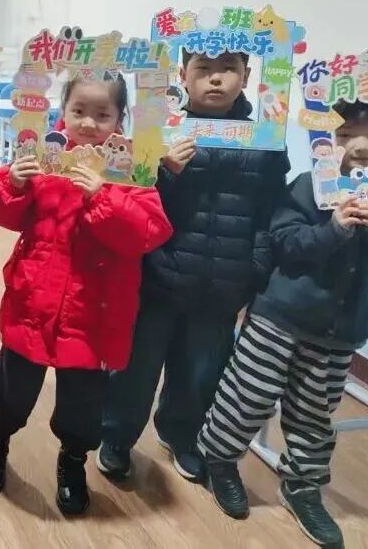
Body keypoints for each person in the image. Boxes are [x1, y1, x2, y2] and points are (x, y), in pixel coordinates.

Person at [197, 94, 368, 547]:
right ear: (326, 139)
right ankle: (219, 460)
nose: (360, 146)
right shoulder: (309, 186)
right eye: (346, 135)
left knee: (315, 413)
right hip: (279, 317)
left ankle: (302, 485)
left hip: (340, 330)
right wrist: (333, 229)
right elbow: (286, 243)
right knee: (248, 395)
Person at [0, 73, 173, 515]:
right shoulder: (43, 159)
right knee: (11, 387)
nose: (87, 123)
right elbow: (0, 211)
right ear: (62, 111)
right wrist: (14, 184)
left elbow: (146, 233)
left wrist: (103, 196)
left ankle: (73, 460)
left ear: (120, 120)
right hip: (33, 303)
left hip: (93, 315)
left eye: (102, 115)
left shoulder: (132, 172)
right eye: (78, 111)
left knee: (83, 404)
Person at [99, 50, 291, 483]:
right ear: (183, 76)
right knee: (135, 367)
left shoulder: (265, 138)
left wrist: (255, 266)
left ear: (247, 76)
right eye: (204, 70)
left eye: (228, 70)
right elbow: (134, 198)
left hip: (223, 284)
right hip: (159, 277)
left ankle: (182, 436)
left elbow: (271, 211)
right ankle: (116, 436)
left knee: (201, 372)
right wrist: (167, 171)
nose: (215, 79)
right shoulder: (160, 131)